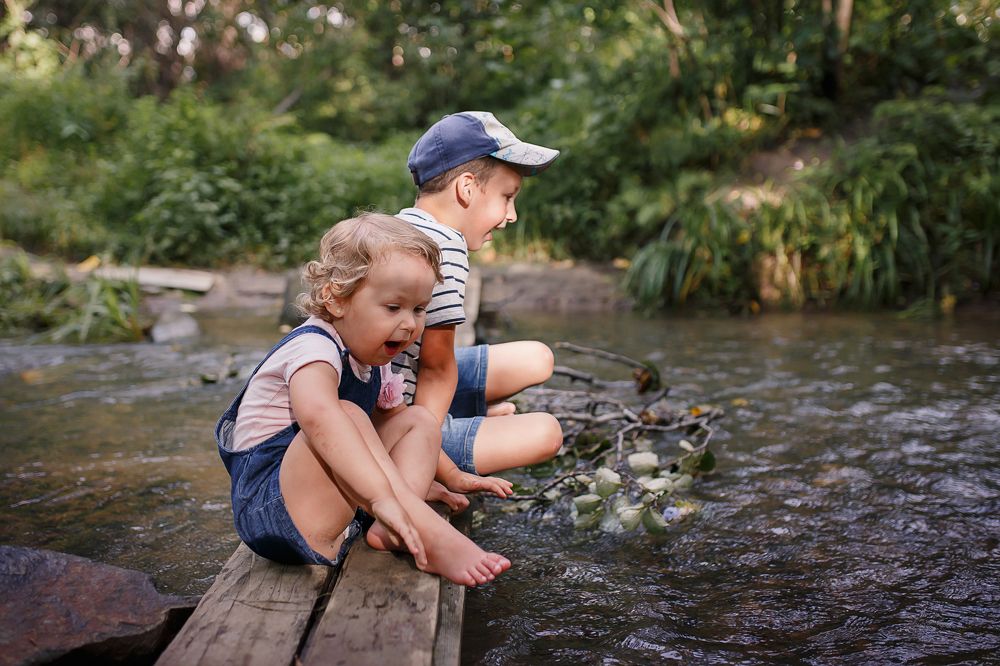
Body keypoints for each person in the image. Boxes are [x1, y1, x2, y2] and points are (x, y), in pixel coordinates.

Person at [214, 213, 511, 587]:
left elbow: (404, 430)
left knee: (417, 419)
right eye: (393, 308)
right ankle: (419, 524)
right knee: (344, 412)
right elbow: (319, 416)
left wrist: (451, 476)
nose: (409, 324)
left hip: (324, 501)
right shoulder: (312, 349)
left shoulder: (374, 361)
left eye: (419, 309)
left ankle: (394, 527)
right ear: (335, 299)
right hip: (273, 512)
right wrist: (381, 498)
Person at [392, 111, 564, 492]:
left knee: (538, 357)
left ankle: (463, 416)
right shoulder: (446, 248)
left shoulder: (398, 227)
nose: (511, 216)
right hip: (397, 432)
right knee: (546, 432)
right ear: (467, 188)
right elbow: (436, 371)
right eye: (507, 197)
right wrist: (426, 455)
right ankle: (441, 438)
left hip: (394, 396)